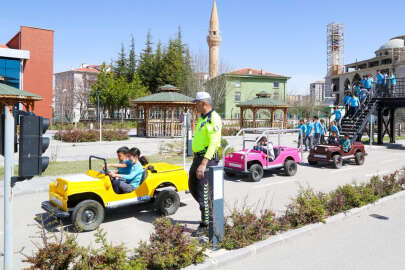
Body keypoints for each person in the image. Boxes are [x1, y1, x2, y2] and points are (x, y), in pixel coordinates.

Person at [189, 91, 222, 235]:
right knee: (192, 186)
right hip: (198, 158)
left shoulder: (214, 118)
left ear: (204, 103)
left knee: (204, 191)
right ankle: (209, 210)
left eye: (196, 103)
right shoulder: (203, 118)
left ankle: (206, 224)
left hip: (207, 160)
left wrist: (203, 164)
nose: (195, 106)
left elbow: (214, 143)